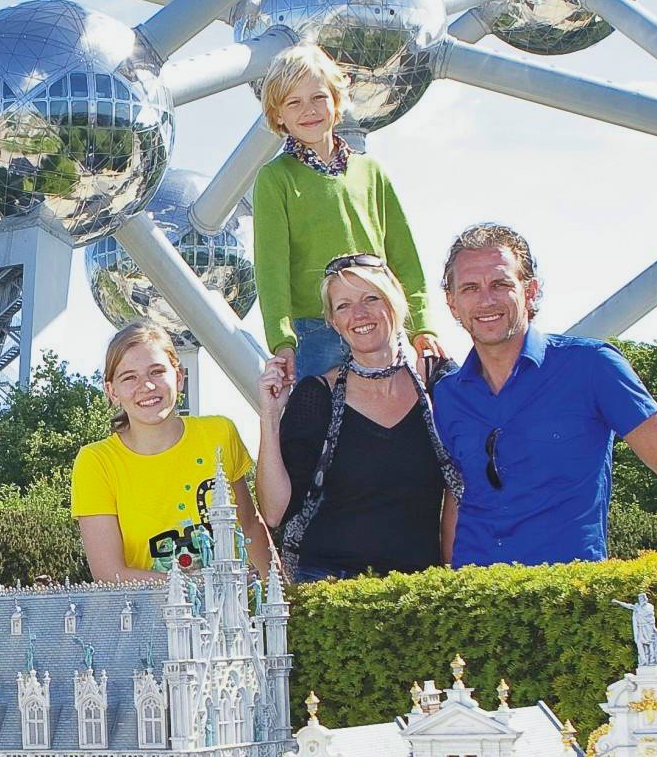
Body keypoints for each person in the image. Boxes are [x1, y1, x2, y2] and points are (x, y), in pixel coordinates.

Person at [432, 222, 657, 565]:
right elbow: (457, 495)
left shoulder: (593, 367)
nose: (486, 300)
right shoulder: (448, 395)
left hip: (573, 591)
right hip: (477, 591)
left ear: (530, 291)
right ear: (452, 303)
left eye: (501, 284)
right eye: (470, 288)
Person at [250, 44, 445, 385]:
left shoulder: (370, 172)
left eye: (318, 97)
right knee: (323, 416)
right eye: (294, 103)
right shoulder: (275, 178)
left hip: (380, 323)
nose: (309, 110)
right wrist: (282, 340)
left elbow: (404, 256)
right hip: (316, 331)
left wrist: (422, 327)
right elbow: (272, 269)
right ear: (277, 114)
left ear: (337, 100)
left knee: (394, 407)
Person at [255, 254, 458, 582]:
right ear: (334, 322)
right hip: (329, 586)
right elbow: (274, 512)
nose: (359, 314)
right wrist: (269, 415)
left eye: (371, 299)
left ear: (395, 302)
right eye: (344, 306)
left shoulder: (439, 384)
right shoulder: (316, 395)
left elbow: (466, 489)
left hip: (419, 589)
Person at [70, 321, 271, 580]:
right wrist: (200, 588)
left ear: (179, 377)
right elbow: (110, 574)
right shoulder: (96, 462)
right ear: (112, 391)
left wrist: (283, 592)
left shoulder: (219, 433)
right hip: (151, 607)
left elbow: (250, 525)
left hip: (236, 603)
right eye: (129, 377)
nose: (146, 386)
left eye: (156, 372)